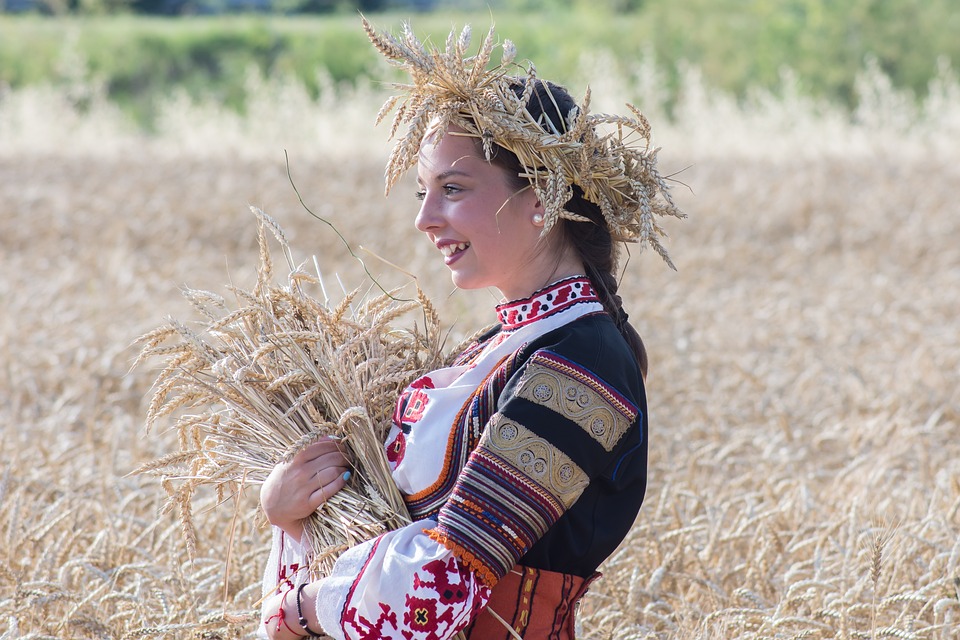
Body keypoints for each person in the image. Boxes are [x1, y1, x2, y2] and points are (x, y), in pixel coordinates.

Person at [257, 19, 683, 640]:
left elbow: (443, 585)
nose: (425, 219)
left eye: (452, 189)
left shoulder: (583, 364)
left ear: (541, 195)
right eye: (422, 192)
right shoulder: (491, 353)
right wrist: (291, 518)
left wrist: (298, 610)